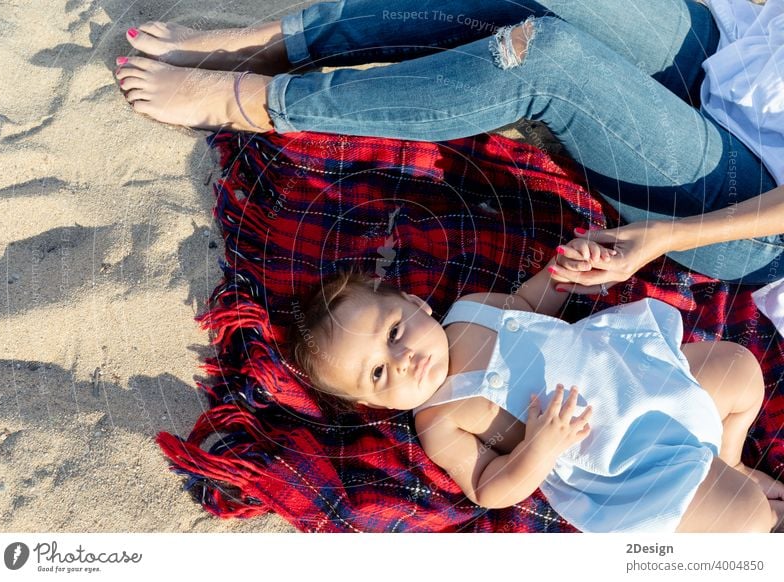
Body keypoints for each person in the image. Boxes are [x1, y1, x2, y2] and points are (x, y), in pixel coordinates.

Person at [114, 0, 784, 286]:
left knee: (547, 61)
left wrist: (663, 240)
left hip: (745, 208)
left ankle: (261, 104)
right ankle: (273, 44)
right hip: (739, 52)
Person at [288, 259, 784, 532]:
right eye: (378, 372)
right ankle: (755, 509)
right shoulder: (439, 417)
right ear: (375, 405)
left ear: (416, 304)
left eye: (395, 331)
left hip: (643, 379)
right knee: (745, 516)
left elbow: (527, 305)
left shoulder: (470, 310)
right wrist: (540, 447)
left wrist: (560, 274)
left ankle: (729, 458)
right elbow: (487, 487)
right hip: (621, 456)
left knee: (739, 371)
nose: (401, 359)